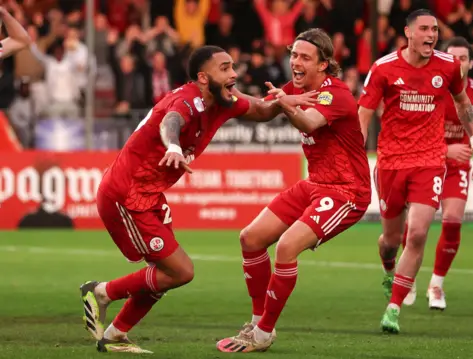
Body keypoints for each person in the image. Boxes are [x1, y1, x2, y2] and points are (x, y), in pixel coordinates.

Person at [79, 45, 315, 354]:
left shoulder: (224, 101)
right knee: (180, 271)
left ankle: (115, 334)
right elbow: (170, 122)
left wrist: (283, 102)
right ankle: (101, 293)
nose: (234, 74)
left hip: (149, 196)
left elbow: (262, 110)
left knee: (163, 274)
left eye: (233, 67)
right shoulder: (187, 100)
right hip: (126, 195)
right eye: (225, 68)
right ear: (204, 78)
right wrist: (173, 146)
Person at [216, 28, 371, 353]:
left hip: (347, 191)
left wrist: (286, 103)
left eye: (304, 57)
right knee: (251, 238)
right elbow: (261, 109)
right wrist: (226, 95)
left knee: (286, 247)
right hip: (315, 184)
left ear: (324, 65)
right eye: (294, 55)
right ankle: (257, 322)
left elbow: (310, 122)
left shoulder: (335, 94)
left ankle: (263, 334)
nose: (295, 62)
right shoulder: (293, 89)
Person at [358, 10, 473, 334]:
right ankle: (390, 268)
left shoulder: (447, 67)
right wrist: (356, 157)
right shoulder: (384, 68)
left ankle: (394, 308)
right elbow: (363, 115)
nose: (431, 34)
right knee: (390, 240)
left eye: (434, 29)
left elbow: (462, 104)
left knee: (416, 234)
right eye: (424, 29)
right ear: (408, 33)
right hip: (390, 162)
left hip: (430, 162)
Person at [400, 36, 473, 308]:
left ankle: (437, 285)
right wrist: (444, 150)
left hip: (457, 166)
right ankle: (408, 279)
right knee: (415, 228)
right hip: (425, 161)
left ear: (471, 63)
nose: (457, 63)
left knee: (453, 219)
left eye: (463, 58)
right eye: (452, 57)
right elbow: (411, 130)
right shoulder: (430, 88)